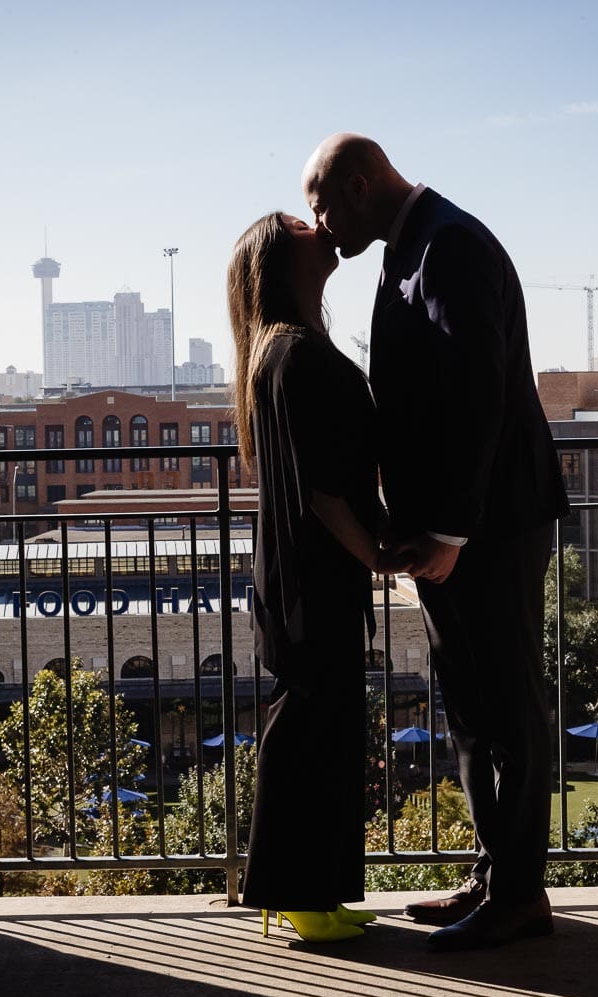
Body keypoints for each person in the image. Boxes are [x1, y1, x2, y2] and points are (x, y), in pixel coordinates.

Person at [302, 133, 570, 952]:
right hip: (453, 531)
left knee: (509, 706)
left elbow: (479, 390)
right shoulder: (411, 246)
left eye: (320, 203)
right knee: (471, 707)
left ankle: (522, 895)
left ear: (356, 184)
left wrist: (451, 528)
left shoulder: (449, 243)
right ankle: (496, 876)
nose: (318, 225)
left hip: (489, 527)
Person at [228, 211, 407, 943]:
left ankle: (317, 890)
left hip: (309, 572)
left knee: (326, 729)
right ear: (278, 259)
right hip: (314, 574)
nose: (320, 226)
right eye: (302, 223)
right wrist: (377, 555)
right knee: (306, 730)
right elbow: (322, 489)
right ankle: (291, 893)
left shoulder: (283, 351)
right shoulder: (294, 356)